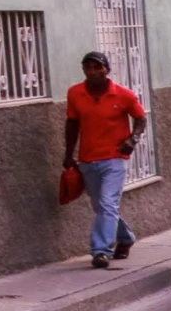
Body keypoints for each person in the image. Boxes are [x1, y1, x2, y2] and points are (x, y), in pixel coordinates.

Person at [62, 51, 147, 269]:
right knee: (101, 206)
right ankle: (126, 237)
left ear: (106, 70)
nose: (93, 72)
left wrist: (133, 138)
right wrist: (68, 154)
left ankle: (101, 250)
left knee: (108, 203)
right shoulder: (75, 94)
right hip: (88, 159)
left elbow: (140, 118)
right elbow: (72, 124)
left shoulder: (123, 95)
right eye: (88, 68)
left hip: (115, 158)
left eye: (97, 67)